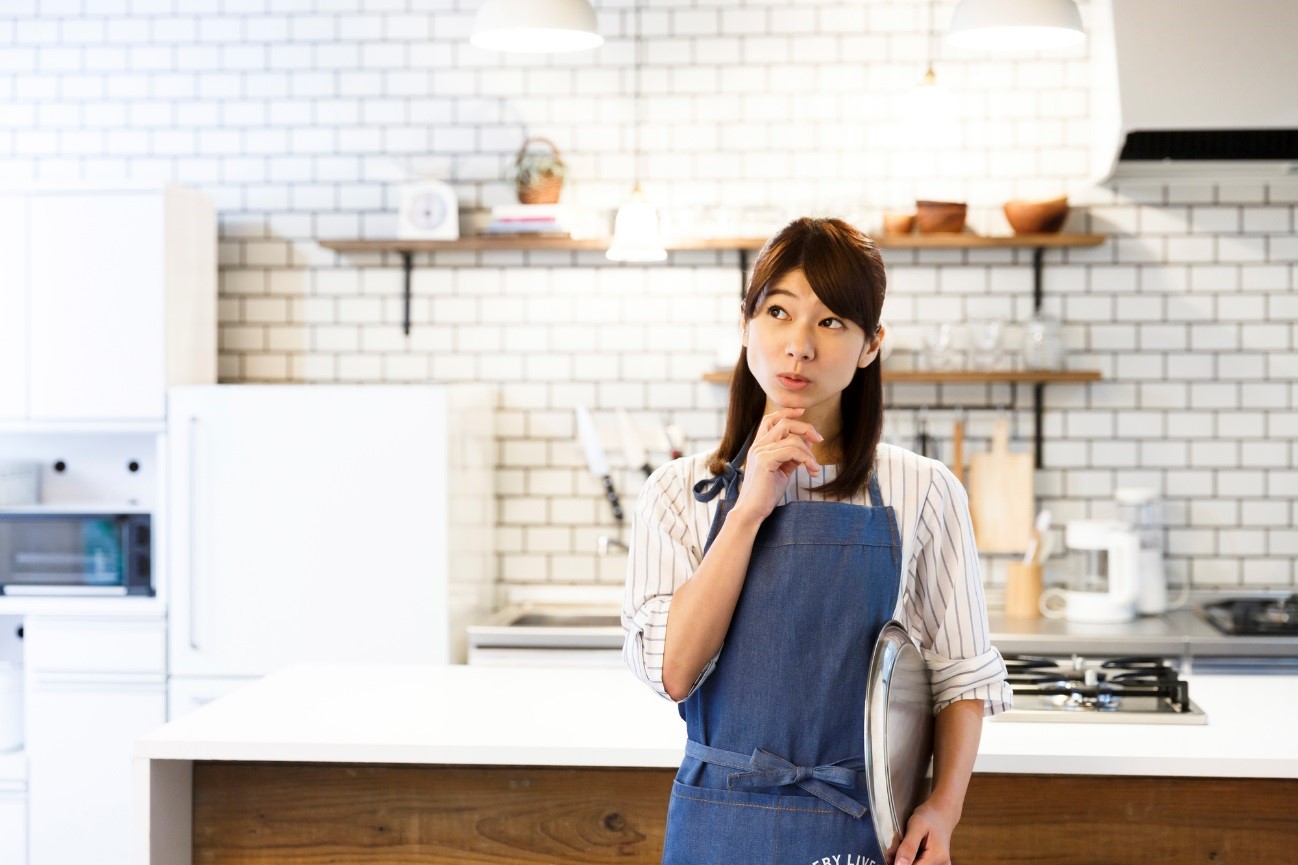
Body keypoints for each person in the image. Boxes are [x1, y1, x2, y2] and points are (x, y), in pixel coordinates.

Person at [621, 217, 1012, 865]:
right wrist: (749, 507)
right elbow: (675, 670)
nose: (799, 345)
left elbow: (959, 675)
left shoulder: (924, 490)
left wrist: (942, 811)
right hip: (718, 824)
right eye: (779, 311)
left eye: (831, 322)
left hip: (860, 827)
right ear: (745, 324)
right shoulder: (677, 493)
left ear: (870, 345)